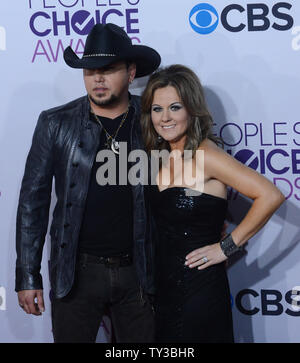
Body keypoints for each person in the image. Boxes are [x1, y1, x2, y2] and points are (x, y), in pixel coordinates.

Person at [15, 23, 161, 343]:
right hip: (76, 274)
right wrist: (28, 275)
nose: (97, 78)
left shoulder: (154, 122)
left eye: (108, 70)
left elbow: (178, 187)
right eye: (89, 70)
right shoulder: (55, 123)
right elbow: (32, 203)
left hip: (139, 272)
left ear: (131, 71)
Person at [140, 64, 285, 343]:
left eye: (175, 107)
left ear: (192, 110)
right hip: (163, 289)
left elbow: (270, 195)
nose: (165, 118)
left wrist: (226, 247)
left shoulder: (206, 154)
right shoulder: (159, 157)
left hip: (199, 290)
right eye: (157, 109)